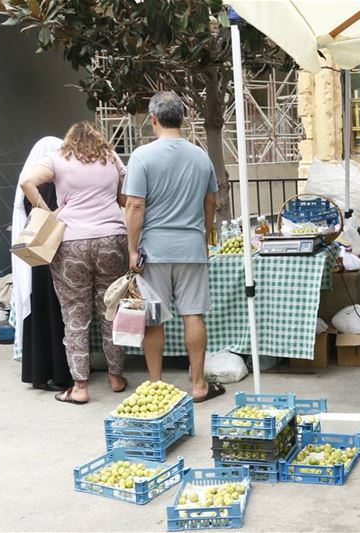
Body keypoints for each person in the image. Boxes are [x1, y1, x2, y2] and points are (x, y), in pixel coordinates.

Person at [123, 91, 223, 403]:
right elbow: (211, 202)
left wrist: (131, 249)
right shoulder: (200, 156)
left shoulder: (142, 156)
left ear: (153, 119)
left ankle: (156, 386)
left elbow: (135, 206)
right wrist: (204, 236)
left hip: (154, 249)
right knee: (193, 315)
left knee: (153, 318)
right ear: (182, 118)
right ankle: (197, 386)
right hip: (191, 247)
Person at [19, 122, 130, 404]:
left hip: (71, 244)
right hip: (111, 240)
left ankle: (80, 387)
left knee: (75, 315)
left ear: (69, 141)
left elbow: (26, 182)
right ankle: (116, 377)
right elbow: (123, 198)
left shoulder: (57, 158)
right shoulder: (112, 158)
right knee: (112, 309)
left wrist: (48, 212)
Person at [11, 136, 73, 391]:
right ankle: (60, 373)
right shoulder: (55, 185)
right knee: (57, 312)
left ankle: (37, 373)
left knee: (38, 311)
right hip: (55, 254)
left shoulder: (30, 188)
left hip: (36, 257)